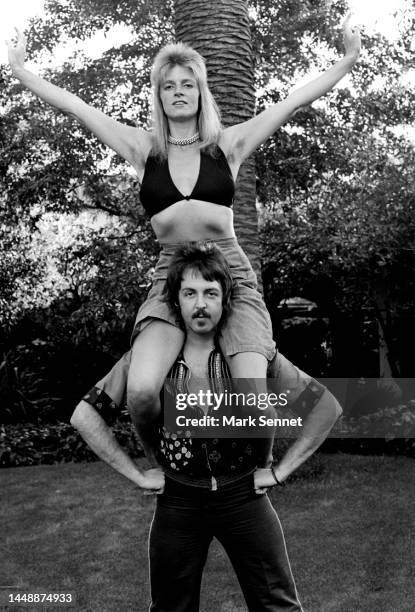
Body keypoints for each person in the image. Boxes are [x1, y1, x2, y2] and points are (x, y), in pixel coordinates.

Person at [7, 17, 360, 466]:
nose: (178, 91)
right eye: (168, 84)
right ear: (159, 95)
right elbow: (77, 107)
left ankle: (260, 468)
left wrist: (347, 59)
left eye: (187, 84)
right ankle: (163, 464)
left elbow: (291, 103)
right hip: (170, 275)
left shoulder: (227, 146)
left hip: (229, 270)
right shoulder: (143, 149)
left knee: (253, 388)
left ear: (200, 92)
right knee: (139, 390)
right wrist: (20, 70)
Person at [71, 243, 343, 611]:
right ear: (176, 301)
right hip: (178, 503)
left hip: (244, 497)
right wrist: (137, 475)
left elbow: (326, 407)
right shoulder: (146, 361)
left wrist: (279, 472)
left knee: (278, 606)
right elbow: (84, 415)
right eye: (190, 293)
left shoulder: (253, 357)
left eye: (210, 293)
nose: (200, 304)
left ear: (225, 300)